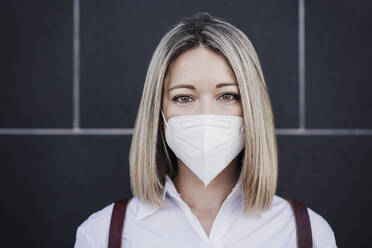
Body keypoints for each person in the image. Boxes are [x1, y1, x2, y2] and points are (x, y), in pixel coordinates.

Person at [74, 12, 337, 248]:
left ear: (252, 108)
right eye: (184, 97)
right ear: (159, 112)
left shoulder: (306, 233)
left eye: (227, 96)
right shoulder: (103, 233)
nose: (206, 115)